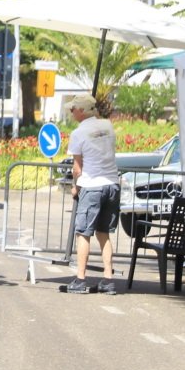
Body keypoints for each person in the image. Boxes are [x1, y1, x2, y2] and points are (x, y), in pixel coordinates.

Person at [65, 93, 120, 294]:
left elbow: (77, 167)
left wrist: (75, 187)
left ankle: (80, 279)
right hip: (112, 184)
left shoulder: (78, 133)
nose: (71, 112)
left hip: (92, 185)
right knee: (104, 233)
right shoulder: (108, 126)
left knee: (83, 233)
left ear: (82, 110)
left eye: (73, 109)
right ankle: (108, 279)